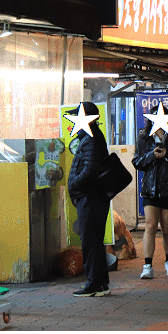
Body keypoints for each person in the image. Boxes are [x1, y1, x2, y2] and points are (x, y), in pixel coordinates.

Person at [132, 110, 168, 279]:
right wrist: (152, 155)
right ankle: (147, 265)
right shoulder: (145, 139)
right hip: (150, 188)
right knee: (150, 226)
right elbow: (137, 161)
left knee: (167, 228)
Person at [67, 101, 112, 297]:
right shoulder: (90, 137)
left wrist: (74, 184)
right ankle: (100, 283)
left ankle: (93, 284)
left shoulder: (91, 139)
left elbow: (90, 170)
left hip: (91, 197)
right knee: (94, 241)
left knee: (90, 241)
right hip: (93, 197)